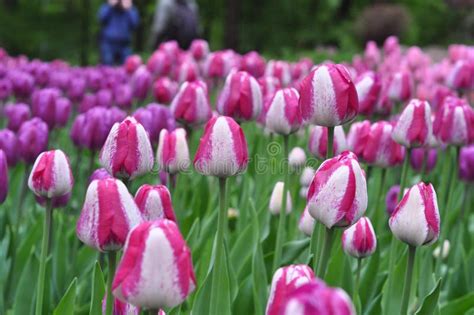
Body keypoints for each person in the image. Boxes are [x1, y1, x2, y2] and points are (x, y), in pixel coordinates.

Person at [98, 0, 139, 65]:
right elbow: (101, 18)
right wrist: (110, 5)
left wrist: (128, 8)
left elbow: (134, 24)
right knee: (107, 66)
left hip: (124, 44)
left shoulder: (130, 9)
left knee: (127, 67)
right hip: (108, 43)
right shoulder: (107, 7)